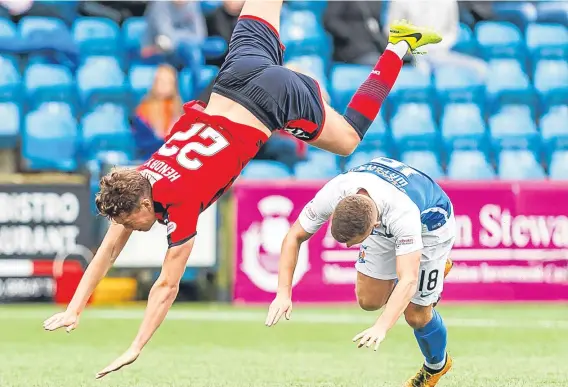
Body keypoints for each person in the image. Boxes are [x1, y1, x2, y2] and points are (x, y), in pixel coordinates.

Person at [42, 0, 443, 379]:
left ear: (144, 203)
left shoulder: (178, 206)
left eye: (132, 220)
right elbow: (109, 248)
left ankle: (396, 46)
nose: (132, 227)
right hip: (235, 75)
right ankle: (329, 82)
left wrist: (135, 346)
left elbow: (165, 288)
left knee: (349, 138)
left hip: (276, 100)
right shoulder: (142, 177)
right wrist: (76, 308)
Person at [265, 156, 456, 387]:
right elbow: (293, 236)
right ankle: (423, 283)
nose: (347, 248)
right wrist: (283, 293)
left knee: (415, 314)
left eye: (352, 242)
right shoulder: (334, 191)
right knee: (369, 301)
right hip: (382, 205)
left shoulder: (402, 214)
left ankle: (436, 366)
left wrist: (381, 326)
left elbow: (408, 279)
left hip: (430, 224)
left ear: (372, 227)